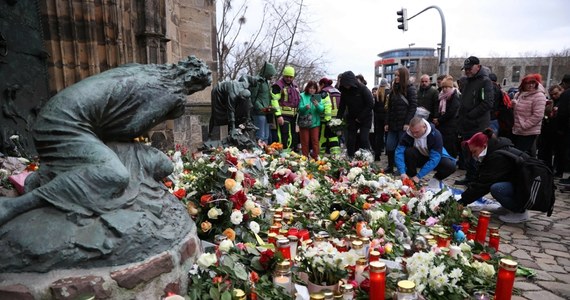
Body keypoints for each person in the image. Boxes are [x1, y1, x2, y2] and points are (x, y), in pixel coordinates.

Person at [457, 129, 530, 223]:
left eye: (474, 152)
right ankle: (507, 208)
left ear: (483, 146)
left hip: (526, 187)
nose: (473, 155)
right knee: (497, 185)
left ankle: (520, 212)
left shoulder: (497, 157)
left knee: (497, 189)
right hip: (518, 184)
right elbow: (481, 178)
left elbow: (483, 184)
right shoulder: (493, 151)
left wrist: (463, 201)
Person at [455, 56, 494, 185]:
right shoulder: (467, 81)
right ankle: (470, 175)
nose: (467, 71)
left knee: (476, 152)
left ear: (478, 66)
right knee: (467, 151)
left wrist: (471, 114)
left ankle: (477, 178)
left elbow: (487, 103)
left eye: (469, 68)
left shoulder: (485, 82)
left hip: (477, 124)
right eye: (465, 69)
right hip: (466, 123)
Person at [396, 117, 456, 186]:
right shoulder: (408, 134)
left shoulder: (435, 135)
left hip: (435, 158)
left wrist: (419, 176)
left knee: (450, 166)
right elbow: (399, 152)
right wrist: (402, 172)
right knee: (409, 152)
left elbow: (435, 158)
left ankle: (435, 180)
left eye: (417, 132)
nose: (414, 135)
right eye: (412, 132)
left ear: (424, 127)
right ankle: (411, 177)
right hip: (419, 157)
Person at [384, 67, 417, 173]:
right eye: (395, 75)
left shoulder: (410, 89)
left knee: (401, 148)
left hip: (403, 124)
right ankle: (390, 166)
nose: (396, 77)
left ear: (403, 76)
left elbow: (413, 106)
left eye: (398, 75)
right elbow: (389, 107)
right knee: (389, 146)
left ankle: (401, 168)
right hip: (393, 124)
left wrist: (407, 122)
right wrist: (387, 122)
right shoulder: (394, 89)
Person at [336, 71, 374, 158]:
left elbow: (370, 104)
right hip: (352, 117)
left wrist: (360, 118)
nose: (346, 86)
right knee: (350, 139)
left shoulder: (363, 89)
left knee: (363, 138)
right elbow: (342, 106)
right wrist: (338, 119)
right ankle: (350, 157)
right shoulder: (344, 91)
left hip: (365, 117)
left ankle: (367, 157)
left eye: (347, 84)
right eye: (344, 84)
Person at [241, 62, 277, 145]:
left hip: (267, 113)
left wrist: (270, 107)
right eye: (271, 74)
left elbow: (266, 97)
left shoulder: (266, 82)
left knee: (266, 136)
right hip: (259, 113)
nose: (272, 76)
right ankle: (260, 152)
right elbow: (253, 97)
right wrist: (261, 108)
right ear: (267, 72)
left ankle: (266, 153)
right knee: (261, 135)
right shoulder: (258, 81)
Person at [511, 74, 546, 157]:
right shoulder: (519, 94)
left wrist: (524, 125)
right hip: (517, 130)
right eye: (528, 83)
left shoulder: (539, 96)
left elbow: (538, 115)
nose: (531, 85)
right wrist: (514, 105)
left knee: (520, 154)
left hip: (528, 131)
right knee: (518, 153)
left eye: (533, 83)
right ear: (523, 84)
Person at [270, 66, 301, 151]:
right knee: (285, 134)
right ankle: (284, 152)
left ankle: (289, 152)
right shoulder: (278, 86)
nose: (288, 78)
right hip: (283, 115)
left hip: (294, 115)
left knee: (293, 134)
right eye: (287, 76)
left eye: (291, 77)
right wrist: (278, 115)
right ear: (283, 75)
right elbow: (274, 101)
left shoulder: (295, 86)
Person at [538, 85, 564, 176]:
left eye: (556, 93)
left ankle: (558, 170)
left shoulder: (563, 102)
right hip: (550, 130)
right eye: (552, 94)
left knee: (559, 152)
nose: (554, 96)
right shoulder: (551, 102)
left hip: (559, 131)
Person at [433, 76, 460, 159]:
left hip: (450, 126)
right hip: (442, 125)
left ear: (451, 87)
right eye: (443, 87)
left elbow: (451, 112)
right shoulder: (441, 96)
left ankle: (450, 161)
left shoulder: (454, 96)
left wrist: (439, 120)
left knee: (450, 145)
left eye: (446, 87)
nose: (444, 89)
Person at [297, 81, 325, 160]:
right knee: (305, 141)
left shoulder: (317, 97)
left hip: (315, 123)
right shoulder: (302, 96)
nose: (312, 90)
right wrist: (305, 107)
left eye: (314, 88)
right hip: (304, 123)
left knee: (315, 141)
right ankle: (305, 158)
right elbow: (299, 109)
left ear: (316, 89)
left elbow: (321, 110)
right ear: (307, 88)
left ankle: (316, 157)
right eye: (310, 88)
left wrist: (317, 106)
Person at [318, 77, 341, 154]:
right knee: (334, 137)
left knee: (322, 137)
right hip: (337, 118)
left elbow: (325, 105)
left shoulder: (324, 92)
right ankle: (336, 155)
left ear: (322, 84)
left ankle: (319, 155)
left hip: (327, 118)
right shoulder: (337, 91)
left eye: (319, 85)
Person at [556, 74, 570, 185]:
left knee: (566, 152)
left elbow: (562, 113)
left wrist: (559, 128)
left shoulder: (566, 94)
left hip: (567, 129)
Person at [372, 79, 389, 161]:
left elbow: (374, 107)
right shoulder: (388, 92)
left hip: (378, 117)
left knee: (378, 136)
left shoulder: (377, 93)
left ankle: (377, 155)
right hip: (386, 116)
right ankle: (388, 153)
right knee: (388, 135)